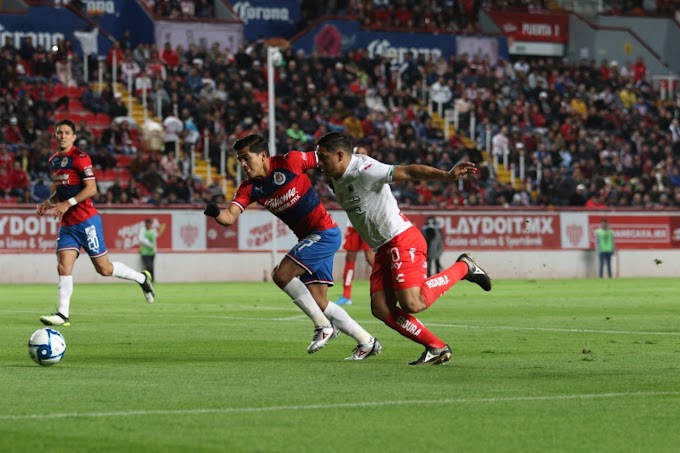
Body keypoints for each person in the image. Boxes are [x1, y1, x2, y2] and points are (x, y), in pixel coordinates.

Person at [315, 132, 492, 366]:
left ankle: (464, 267)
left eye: (323, 157)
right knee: (381, 308)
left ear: (340, 155)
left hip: (401, 239)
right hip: (383, 248)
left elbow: (409, 171)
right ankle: (436, 347)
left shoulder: (365, 169)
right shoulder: (335, 178)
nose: (319, 163)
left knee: (413, 303)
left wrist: (447, 176)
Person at [203, 134, 380, 360]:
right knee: (320, 302)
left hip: (324, 232)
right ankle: (367, 341)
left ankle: (323, 327)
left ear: (264, 155)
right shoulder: (249, 188)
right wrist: (215, 212)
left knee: (281, 274)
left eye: (246, 158)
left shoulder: (291, 161)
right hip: (310, 238)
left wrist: (354, 167)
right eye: (240, 160)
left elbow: (326, 159)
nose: (243, 165)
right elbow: (229, 218)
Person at [35, 119, 155, 327]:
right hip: (68, 225)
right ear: (55, 136)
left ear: (73, 137)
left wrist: (67, 204)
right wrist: (49, 202)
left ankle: (142, 279)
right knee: (63, 265)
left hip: (87, 221)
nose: (62, 136)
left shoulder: (81, 158)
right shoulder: (53, 161)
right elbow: (61, 192)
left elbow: (91, 189)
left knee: (104, 269)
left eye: (66, 133)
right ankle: (63, 314)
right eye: (59, 133)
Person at [335, 145, 375, 306]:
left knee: (370, 257)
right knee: (350, 256)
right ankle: (346, 295)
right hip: (353, 222)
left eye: (363, 153)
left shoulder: (372, 171)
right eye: (357, 153)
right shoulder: (348, 173)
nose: (360, 155)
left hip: (367, 222)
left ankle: (389, 284)